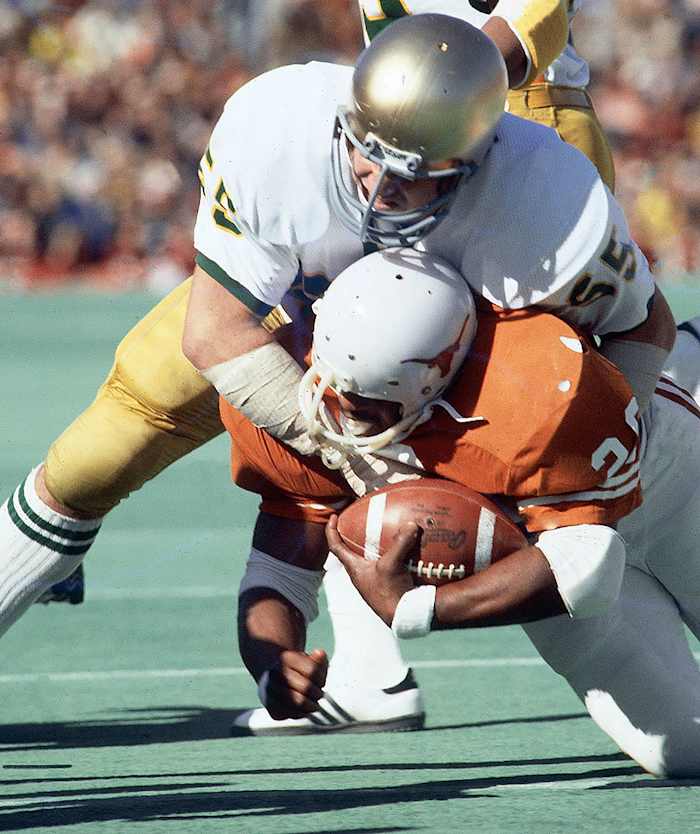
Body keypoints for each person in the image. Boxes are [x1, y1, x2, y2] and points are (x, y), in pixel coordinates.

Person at [1, 16, 675, 730]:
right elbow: (215, 332)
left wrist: (592, 466)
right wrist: (352, 452)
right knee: (118, 428)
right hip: (315, 292)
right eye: (364, 156)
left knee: (553, 476)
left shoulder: (543, 203)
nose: (377, 186)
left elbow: (642, 327)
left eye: (406, 176)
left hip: (477, 295)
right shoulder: (280, 126)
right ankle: (369, 673)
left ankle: (395, 662)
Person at [223, 247, 700, 777]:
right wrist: (273, 662)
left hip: (663, 488)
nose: (331, 412)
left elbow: (587, 569)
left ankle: (690, 355)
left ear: (436, 378)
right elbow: (280, 565)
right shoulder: (292, 375)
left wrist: (417, 609)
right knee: (683, 751)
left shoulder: (537, 383)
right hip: (539, 549)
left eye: (364, 404)